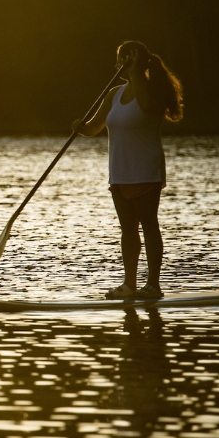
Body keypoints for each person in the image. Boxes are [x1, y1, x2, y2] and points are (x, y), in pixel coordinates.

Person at [73, 41, 183, 300]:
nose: (116, 66)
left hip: (145, 170)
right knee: (128, 229)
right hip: (119, 172)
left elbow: (145, 108)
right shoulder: (114, 94)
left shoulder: (154, 91)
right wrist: (81, 127)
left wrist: (135, 73)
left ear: (134, 62)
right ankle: (129, 285)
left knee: (149, 226)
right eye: (118, 61)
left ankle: (153, 285)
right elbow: (94, 127)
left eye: (122, 60)